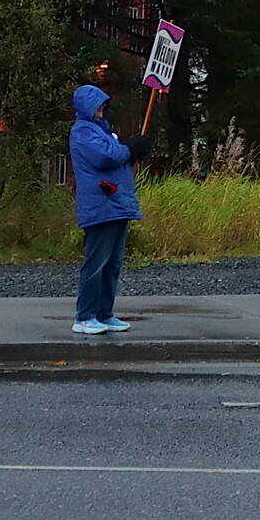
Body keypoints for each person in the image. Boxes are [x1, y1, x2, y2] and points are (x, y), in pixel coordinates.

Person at [68, 84, 152, 335]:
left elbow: (114, 154)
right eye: (98, 105)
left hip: (115, 203)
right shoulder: (82, 131)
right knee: (96, 263)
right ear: (86, 107)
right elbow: (105, 157)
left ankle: (104, 313)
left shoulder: (101, 131)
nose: (102, 110)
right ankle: (85, 316)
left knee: (112, 264)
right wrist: (130, 149)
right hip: (101, 205)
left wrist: (129, 150)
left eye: (103, 105)